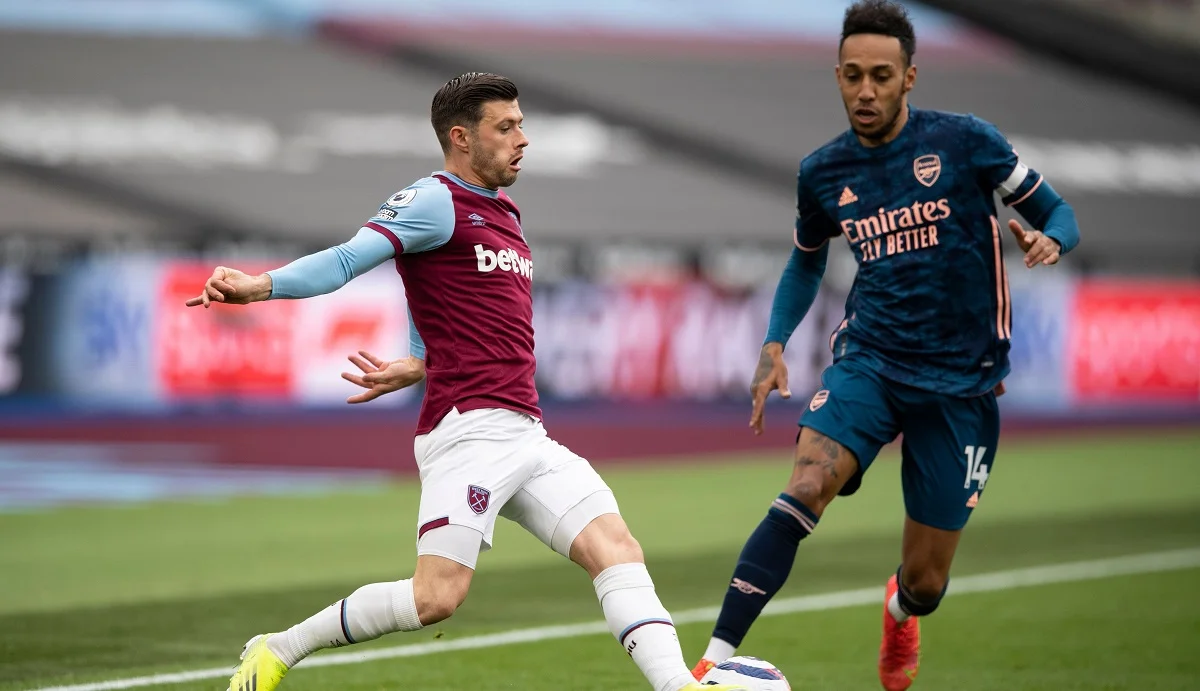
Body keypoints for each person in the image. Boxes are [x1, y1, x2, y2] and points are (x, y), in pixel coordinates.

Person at [187, 72, 747, 691]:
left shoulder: (505, 211)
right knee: (436, 598)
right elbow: (348, 259)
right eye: (505, 127)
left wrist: (419, 358)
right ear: (461, 137)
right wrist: (260, 286)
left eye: (521, 125)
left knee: (616, 548)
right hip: (469, 432)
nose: (522, 139)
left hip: (526, 433)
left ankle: (678, 687)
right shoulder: (433, 199)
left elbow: (437, 285)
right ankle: (278, 649)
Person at [689, 3, 1081, 689]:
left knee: (927, 582)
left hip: (961, 383)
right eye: (852, 76)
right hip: (870, 359)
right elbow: (807, 257)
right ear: (837, 76)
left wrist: (1052, 240)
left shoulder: (966, 142)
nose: (865, 90)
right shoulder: (823, 171)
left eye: (880, 76)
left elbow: (1057, 211)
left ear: (909, 78)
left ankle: (900, 610)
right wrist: (775, 342)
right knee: (807, 483)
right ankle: (708, 664)